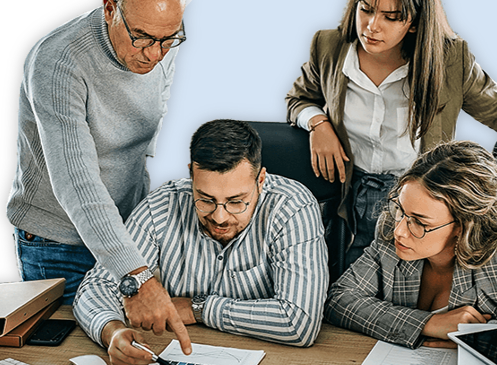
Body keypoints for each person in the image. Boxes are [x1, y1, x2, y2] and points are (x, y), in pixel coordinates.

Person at [285, 0, 497, 269]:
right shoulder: (328, 47)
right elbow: (299, 98)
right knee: (352, 286)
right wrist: (318, 123)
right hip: (351, 192)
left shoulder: (450, 60)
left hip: (417, 194)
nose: (371, 26)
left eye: (391, 16)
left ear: (414, 22)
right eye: (366, 9)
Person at [7, 0, 194, 354]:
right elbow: (78, 185)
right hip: (57, 244)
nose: (155, 54)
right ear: (111, 8)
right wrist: (136, 276)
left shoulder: (160, 37)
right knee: (73, 356)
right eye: (142, 37)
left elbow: (154, 107)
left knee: (128, 351)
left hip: (125, 231)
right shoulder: (57, 62)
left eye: (169, 38)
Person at [73, 119, 329, 364]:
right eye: (206, 199)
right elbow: (96, 286)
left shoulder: (293, 207)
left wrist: (200, 309)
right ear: (191, 176)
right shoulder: (162, 205)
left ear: (260, 181)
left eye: (236, 201)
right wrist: (112, 331)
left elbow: (299, 322)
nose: (219, 217)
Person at [324, 141, 497, 349]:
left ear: (463, 226)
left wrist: (488, 340)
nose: (400, 230)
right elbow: (339, 299)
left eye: (420, 222)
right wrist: (430, 323)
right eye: (401, 211)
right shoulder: (390, 229)